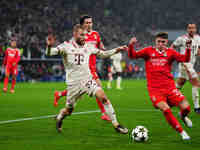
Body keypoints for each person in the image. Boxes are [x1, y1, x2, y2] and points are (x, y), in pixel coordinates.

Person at [46, 24, 128, 134]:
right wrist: (49, 46)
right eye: (81, 35)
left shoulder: (88, 47)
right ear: (74, 34)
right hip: (73, 84)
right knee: (69, 110)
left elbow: (103, 54)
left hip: (87, 80)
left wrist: (116, 50)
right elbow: (49, 53)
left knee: (103, 97)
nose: (84, 37)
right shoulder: (66, 46)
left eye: (85, 35)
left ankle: (116, 124)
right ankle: (60, 117)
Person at [128, 32, 192, 140]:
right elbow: (132, 55)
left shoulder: (171, 52)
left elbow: (185, 59)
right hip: (155, 90)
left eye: (163, 42)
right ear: (155, 41)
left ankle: (183, 116)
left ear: (167, 42)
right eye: (159, 41)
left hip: (170, 87)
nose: (161, 44)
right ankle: (182, 132)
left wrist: (188, 48)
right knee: (166, 109)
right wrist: (131, 46)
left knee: (186, 108)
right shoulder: (148, 51)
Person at [53, 15, 111, 121]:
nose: (89, 24)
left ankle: (60, 95)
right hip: (84, 67)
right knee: (98, 86)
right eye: (87, 23)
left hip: (92, 65)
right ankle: (104, 113)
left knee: (81, 92)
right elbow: (70, 47)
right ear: (82, 25)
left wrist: (102, 48)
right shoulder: (79, 36)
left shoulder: (96, 34)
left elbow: (99, 45)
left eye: (91, 22)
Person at [170, 23, 200, 114]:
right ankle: (197, 107)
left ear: (195, 29)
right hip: (184, 64)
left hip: (192, 64)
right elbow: (172, 47)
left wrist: (198, 52)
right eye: (189, 28)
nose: (191, 29)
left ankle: (170, 98)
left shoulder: (198, 38)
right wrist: (176, 57)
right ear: (187, 29)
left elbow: (198, 49)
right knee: (196, 83)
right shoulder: (181, 38)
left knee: (180, 84)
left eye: (193, 28)